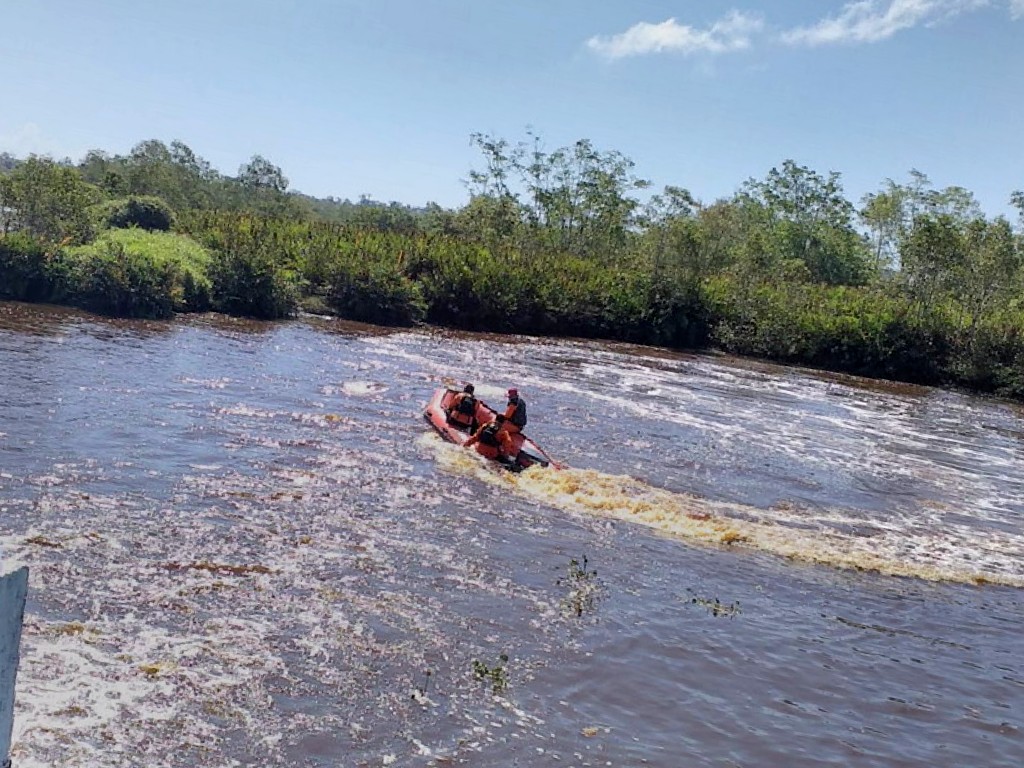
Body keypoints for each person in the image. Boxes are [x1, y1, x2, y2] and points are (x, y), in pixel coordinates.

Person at [496, 387, 527, 457]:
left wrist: (500, 415)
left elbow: (508, 415)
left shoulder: (513, 402)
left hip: (515, 426)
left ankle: (500, 448)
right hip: (519, 425)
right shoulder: (521, 401)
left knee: (497, 427)